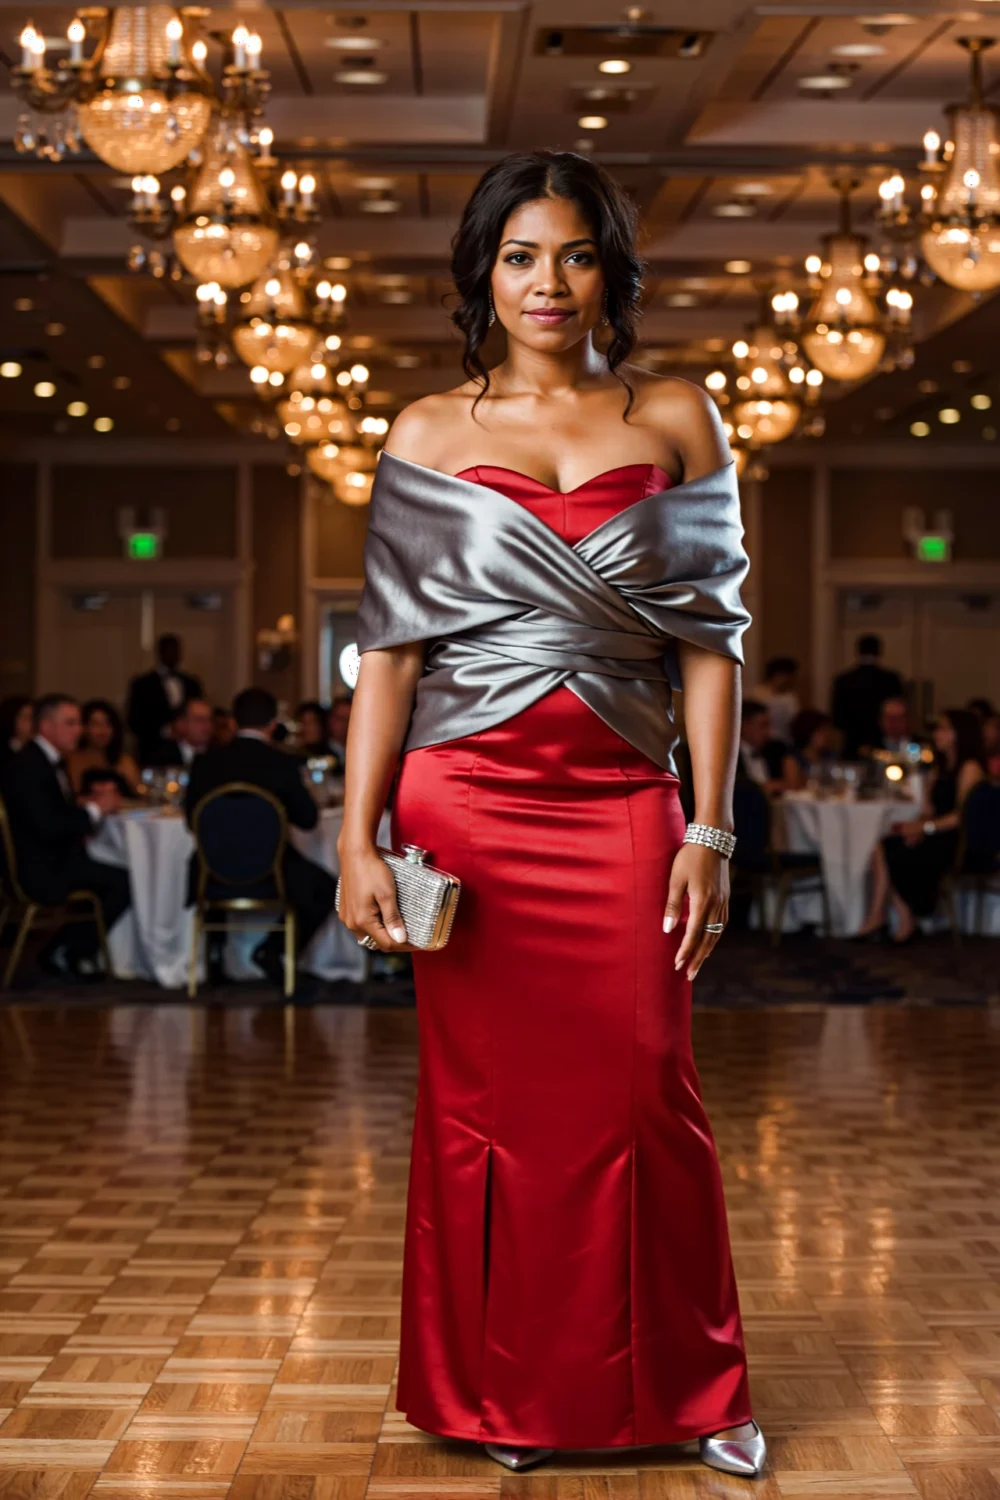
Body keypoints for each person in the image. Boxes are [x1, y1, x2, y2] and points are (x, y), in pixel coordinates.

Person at [336, 152, 764, 1477]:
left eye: (574, 254)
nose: (547, 281)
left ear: (610, 273)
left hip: (628, 802)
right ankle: (506, 1398)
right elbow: (391, 657)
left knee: (652, 1094)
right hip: (463, 809)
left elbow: (713, 648)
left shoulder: (678, 416)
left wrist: (710, 826)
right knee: (489, 1110)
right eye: (521, 255)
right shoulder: (423, 430)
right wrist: (355, 840)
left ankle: (700, 1391)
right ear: (483, 271)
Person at [184, 687, 336, 989]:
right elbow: (308, 820)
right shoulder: (282, 763)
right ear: (272, 724)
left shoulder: (206, 763)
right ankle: (272, 951)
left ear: (232, 722)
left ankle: (215, 958)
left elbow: (192, 822)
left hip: (211, 871)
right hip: (273, 871)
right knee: (328, 887)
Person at [0, 694, 130, 979]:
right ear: (46, 727)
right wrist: (96, 809)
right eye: (70, 723)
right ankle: (72, 950)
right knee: (124, 881)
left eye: (78, 723)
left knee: (111, 869)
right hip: (42, 870)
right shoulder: (29, 767)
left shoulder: (41, 761)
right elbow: (47, 826)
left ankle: (65, 949)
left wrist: (82, 806)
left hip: (50, 859)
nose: (79, 731)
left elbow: (49, 813)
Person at [858, 708, 986, 943]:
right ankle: (887, 917)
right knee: (885, 844)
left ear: (959, 734)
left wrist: (924, 829)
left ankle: (896, 919)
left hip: (959, 840)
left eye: (943, 728)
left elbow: (962, 816)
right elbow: (929, 810)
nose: (936, 734)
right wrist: (916, 824)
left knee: (895, 852)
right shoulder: (940, 767)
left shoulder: (970, 768)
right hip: (937, 832)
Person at [127, 634, 203, 764]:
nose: (174, 655)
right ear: (160, 653)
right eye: (169, 650)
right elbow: (134, 720)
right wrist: (167, 730)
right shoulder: (142, 684)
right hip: (152, 750)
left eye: (177, 651)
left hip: (190, 752)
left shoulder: (192, 683)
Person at [831, 634, 903, 759]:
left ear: (857, 652)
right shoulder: (891, 679)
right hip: (884, 742)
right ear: (880, 652)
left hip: (852, 741)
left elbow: (837, 717)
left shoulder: (844, 680)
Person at [68, 699, 141, 798]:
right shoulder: (72, 760)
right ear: (83, 728)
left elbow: (142, 795)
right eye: (95, 724)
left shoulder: (124, 761)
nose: (102, 730)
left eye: (108, 724)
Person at [145, 698, 213, 770]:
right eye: (199, 720)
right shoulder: (160, 757)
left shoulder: (218, 755)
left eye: (210, 720)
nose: (208, 725)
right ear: (181, 724)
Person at [737, 700, 786, 793]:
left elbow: (788, 784)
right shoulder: (730, 757)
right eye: (763, 726)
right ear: (745, 726)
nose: (768, 732)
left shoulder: (775, 750)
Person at [749, 656, 800, 745]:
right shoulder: (757, 693)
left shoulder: (791, 698)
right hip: (761, 742)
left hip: (784, 741)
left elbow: (795, 721)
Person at [782, 709, 837, 791]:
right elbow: (793, 787)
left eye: (827, 730)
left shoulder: (829, 756)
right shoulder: (792, 759)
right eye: (821, 731)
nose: (827, 735)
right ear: (808, 732)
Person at [0, 695, 34, 771]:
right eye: (27, 718)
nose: (33, 723)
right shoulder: (4, 753)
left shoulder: (35, 750)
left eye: (34, 718)